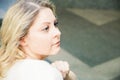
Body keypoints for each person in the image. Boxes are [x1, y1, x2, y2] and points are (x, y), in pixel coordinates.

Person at [0, 0, 77, 80]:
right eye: (46, 28)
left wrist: (64, 74)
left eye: (55, 24)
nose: (58, 32)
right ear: (22, 39)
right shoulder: (46, 73)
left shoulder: (9, 67)